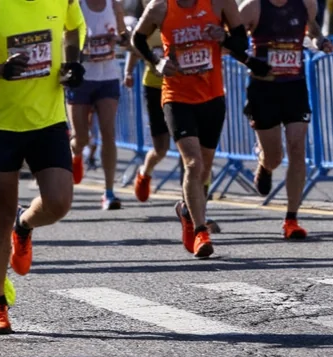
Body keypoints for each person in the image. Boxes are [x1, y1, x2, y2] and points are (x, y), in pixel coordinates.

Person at [0, 0, 86, 333]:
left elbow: (74, 28)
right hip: (0, 124)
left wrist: (72, 63)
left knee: (58, 203)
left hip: (48, 119)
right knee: (0, 214)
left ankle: (24, 226)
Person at [133, 0, 261, 258]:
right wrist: (156, 62)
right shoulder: (160, 8)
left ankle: (186, 211)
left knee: (205, 166)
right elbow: (138, 39)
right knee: (193, 163)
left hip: (212, 97)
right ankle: (201, 230)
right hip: (176, 97)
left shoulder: (220, 4)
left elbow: (241, 44)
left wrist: (223, 37)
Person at [242, 0, 333, 240]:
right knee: (275, 157)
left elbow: (311, 30)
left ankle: (291, 219)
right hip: (263, 90)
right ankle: (264, 163)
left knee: (297, 146)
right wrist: (250, 62)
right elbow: (232, 43)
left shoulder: (306, 4)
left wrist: (321, 42)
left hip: (295, 87)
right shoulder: (252, 7)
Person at [67, 0, 125, 210]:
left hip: (108, 77)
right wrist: (79, 49)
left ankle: (109, 192)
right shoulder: (75, 6)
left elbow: (124, 35)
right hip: (81, 79)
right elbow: (64, 38)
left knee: (108, 133)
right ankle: (76, 153)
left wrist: (121, 39)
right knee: (81, 137)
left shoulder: (114, 6)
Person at [124, 21, 168, 204]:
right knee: (161, 148)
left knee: (189, 147)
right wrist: (128, 72)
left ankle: (190, 199)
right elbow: (135, 48)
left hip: (181, 89)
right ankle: (145, 172)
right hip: (154, 87)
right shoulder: (150, 22)